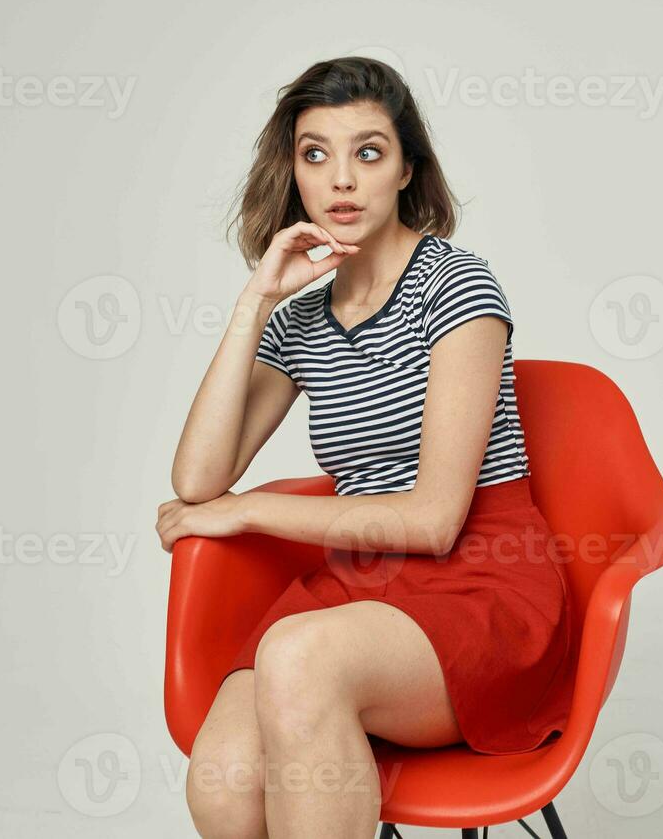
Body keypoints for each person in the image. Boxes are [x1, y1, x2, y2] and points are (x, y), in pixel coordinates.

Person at [160, 56, 575, 837]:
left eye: (368, 152)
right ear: (294, 173)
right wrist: (257, 299)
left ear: (406, 170)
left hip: (481, 584)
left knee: (299, 657)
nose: (341, 179)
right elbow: (197, 479)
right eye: (316, 154)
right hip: (359, 589)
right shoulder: (301, 322)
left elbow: (432, 522)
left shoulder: (457, 286)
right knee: (221, 782)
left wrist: (253, 513)